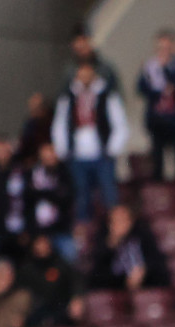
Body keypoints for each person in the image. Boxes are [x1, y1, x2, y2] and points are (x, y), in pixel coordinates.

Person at [52, 60, 126, 224]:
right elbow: (60, 125)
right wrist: (63, 150)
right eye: (81, 75)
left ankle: (115, 227)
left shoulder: (107, 95)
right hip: (77, 155)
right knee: (81, 196)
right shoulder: (68, 98)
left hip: (102, 153)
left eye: (88, 74)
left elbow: (119, 123)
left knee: (109, 195)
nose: (85, 78)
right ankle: (84, 232)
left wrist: (112, 149)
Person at [135, 30, 175, 182]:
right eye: (160, 48)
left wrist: (165, 70)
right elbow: (141, 89)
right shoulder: (149, 67)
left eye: (167, 47)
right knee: (157, 161)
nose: (163, 51)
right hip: (157, 120)